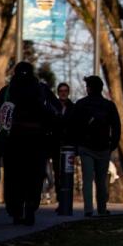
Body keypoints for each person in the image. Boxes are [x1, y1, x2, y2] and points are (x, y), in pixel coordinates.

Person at [0, 61, 55, 226]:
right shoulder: (41, 90)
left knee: (14, 177)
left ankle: (16, 209)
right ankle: (31, 206)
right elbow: (53, 113)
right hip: (36, 141)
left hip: (13, 141)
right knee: (34, 176)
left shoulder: (8, 91)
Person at [67, 76, 121, 217]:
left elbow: (72, 126)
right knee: (101, 180)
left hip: (86, 147)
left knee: (88, 179)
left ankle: (88, 209)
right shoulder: (109, 105)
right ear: (101, 88)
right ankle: (102, 209)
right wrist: (112, 144)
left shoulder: (81, 104)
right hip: (103, 147)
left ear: (89, 88)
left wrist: (76, 144)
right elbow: (116, 126)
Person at [49, 82, 74, 212]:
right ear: (58, 92)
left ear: (68, 92)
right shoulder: (52, 106)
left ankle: (67, 201)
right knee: (57, 173)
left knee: (68, 173)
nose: (63, 93)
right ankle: (60, 200)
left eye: (65, 91)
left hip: (69, 146)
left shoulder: (73, 107)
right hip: (55, 144)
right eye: (61, 91)